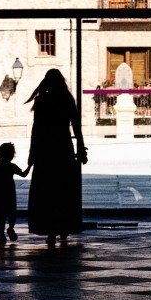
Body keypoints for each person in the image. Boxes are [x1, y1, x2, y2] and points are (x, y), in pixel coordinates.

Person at [24, 68, 88, 246]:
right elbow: (76, 127)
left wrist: (32, 153)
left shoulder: (42, 100)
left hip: (45, 150)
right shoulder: (67, 99)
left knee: (47, 191)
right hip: (63, 148)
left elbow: (36, 130)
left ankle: (50, 229)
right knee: (64, 189)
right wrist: (81, 149)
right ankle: (64, 227)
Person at [0, 142, 31, 246]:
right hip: (10, 192)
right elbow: (24, 174)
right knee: (12, 213)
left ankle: (1, 234)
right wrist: (30, 165)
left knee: (1, 215)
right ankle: (11, 228)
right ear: (12, 155)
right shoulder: (12, 166)